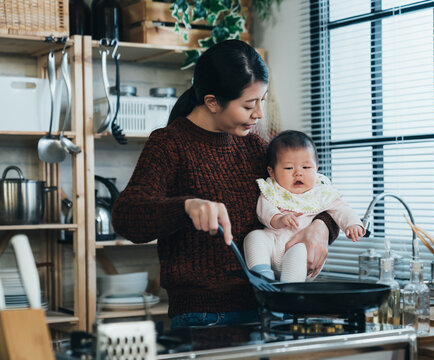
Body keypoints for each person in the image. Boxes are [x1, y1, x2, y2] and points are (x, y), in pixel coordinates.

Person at [111, 40, 339, 328]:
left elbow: (315, 193)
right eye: (248, 105)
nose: (258, 113)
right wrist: (186, 207)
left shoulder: (255, 147)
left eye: (262, 100)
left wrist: (322, 227)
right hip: (205, 319)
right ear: (212, 102)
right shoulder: (169, 144)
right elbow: (126, 217)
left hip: (266, 314)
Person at [244, 130, 366, 282]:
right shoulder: (272, 189)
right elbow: (263, 209)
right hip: (273, 242)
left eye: (306, 167)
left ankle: (289, 290)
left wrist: (353, 224)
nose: (298, 173)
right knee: (254, 237)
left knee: (300, 251)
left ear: (316, 168)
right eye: (289, 168)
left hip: (301, 249)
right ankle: (262, 276)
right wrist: (279, 219)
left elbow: (342, 210)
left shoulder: (321, 192)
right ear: (272, 172)